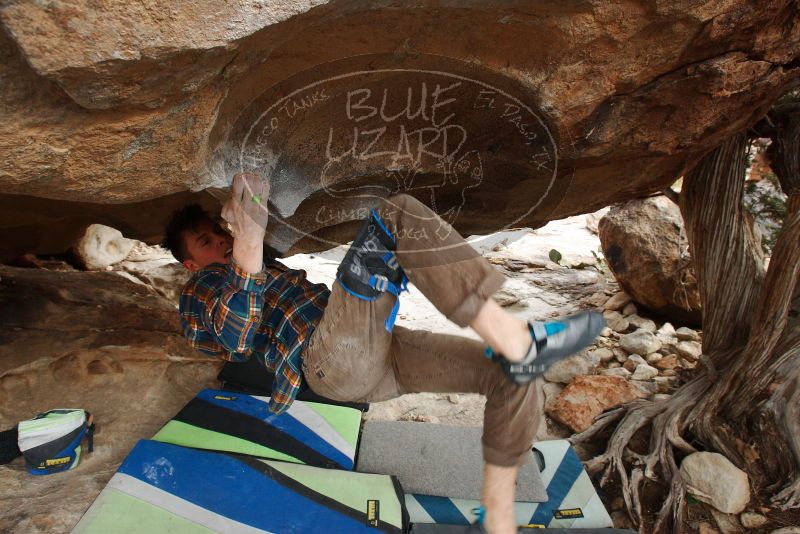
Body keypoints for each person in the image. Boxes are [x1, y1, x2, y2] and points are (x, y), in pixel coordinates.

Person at [163, 172, 604, 534]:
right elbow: (236, 341)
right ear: (190, 264)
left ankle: (499, 512)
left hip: (375, 355)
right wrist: (248, 243)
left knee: (509, 376)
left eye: (219, 233)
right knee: (397, 213)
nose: (220, 241)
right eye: (206, 241)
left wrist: (253, 233)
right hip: (330, 360)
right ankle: (513, 337)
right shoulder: (202, 290)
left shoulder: (260, 267)